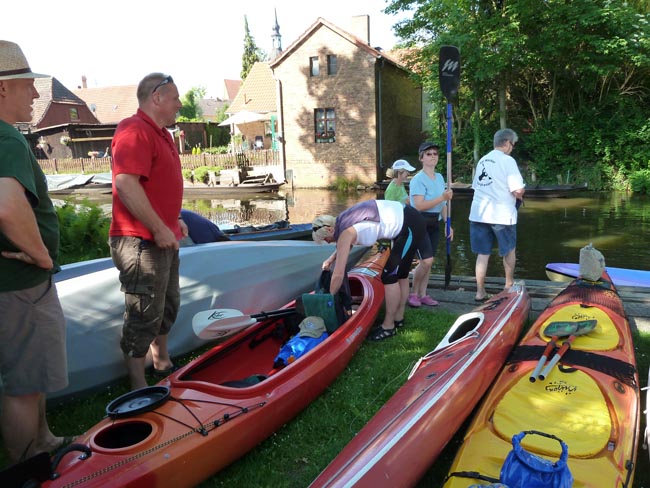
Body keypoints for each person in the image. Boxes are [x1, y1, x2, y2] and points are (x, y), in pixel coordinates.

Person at [0, 40, 74, 463]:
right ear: (3, 89)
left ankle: (43, 441)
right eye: (27, 85)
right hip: (22, 284)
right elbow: (8, 207)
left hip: (14, 285)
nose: (34, 93)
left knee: (29, 376)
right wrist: (43, 256)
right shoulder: (7, 139)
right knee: (25, 385)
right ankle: (27, 467)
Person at [109, 73, 188, 390]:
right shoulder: (134, 130)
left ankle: (162, 363)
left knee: (168, 305)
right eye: (175, 98)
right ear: (157, 97)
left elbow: (156, 185)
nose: (180, 105)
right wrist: (158, 227)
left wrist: (174, 219)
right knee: (144, 312)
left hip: (163, 236)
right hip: (140, 242)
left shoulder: (162, 135)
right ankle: (138, 386)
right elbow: (125, 183)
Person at [312, 199, 429, 341]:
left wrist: (329, 299)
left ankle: (388, 327)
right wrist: (331, 259)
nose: (328, 242)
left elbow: (338, 273)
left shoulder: (345, 232)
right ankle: (398, 318)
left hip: (409, 226)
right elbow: (344, 246)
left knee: (389, 276)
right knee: (401, 274)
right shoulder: (342, 220)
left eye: (326, 239)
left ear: (330, 229)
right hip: (410, 218)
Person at [469, 128, 525, 301]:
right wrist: (522, 190)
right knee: (509, 250)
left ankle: (480, 292)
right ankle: (509, 285)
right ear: (507, 142)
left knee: (482, 254)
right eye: (513, 144)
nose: (513, 148)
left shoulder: (483, 160)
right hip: (502, 215)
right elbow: (517, 190)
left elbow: (478, 185)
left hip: (479, 214)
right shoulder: (508, 161)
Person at [408, 141, 454, 307]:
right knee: (425, 261)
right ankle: (413, 293)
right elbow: (419, 205)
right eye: (428, 154)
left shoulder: (440, 177)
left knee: (430, 260)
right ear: (421, 158)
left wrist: (448, 224)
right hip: (419, 222)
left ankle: (423, 293)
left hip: (435, 222)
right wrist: (443, 198)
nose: (432, 156)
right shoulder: (418, 180)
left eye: (435, 154)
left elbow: (443, 205)